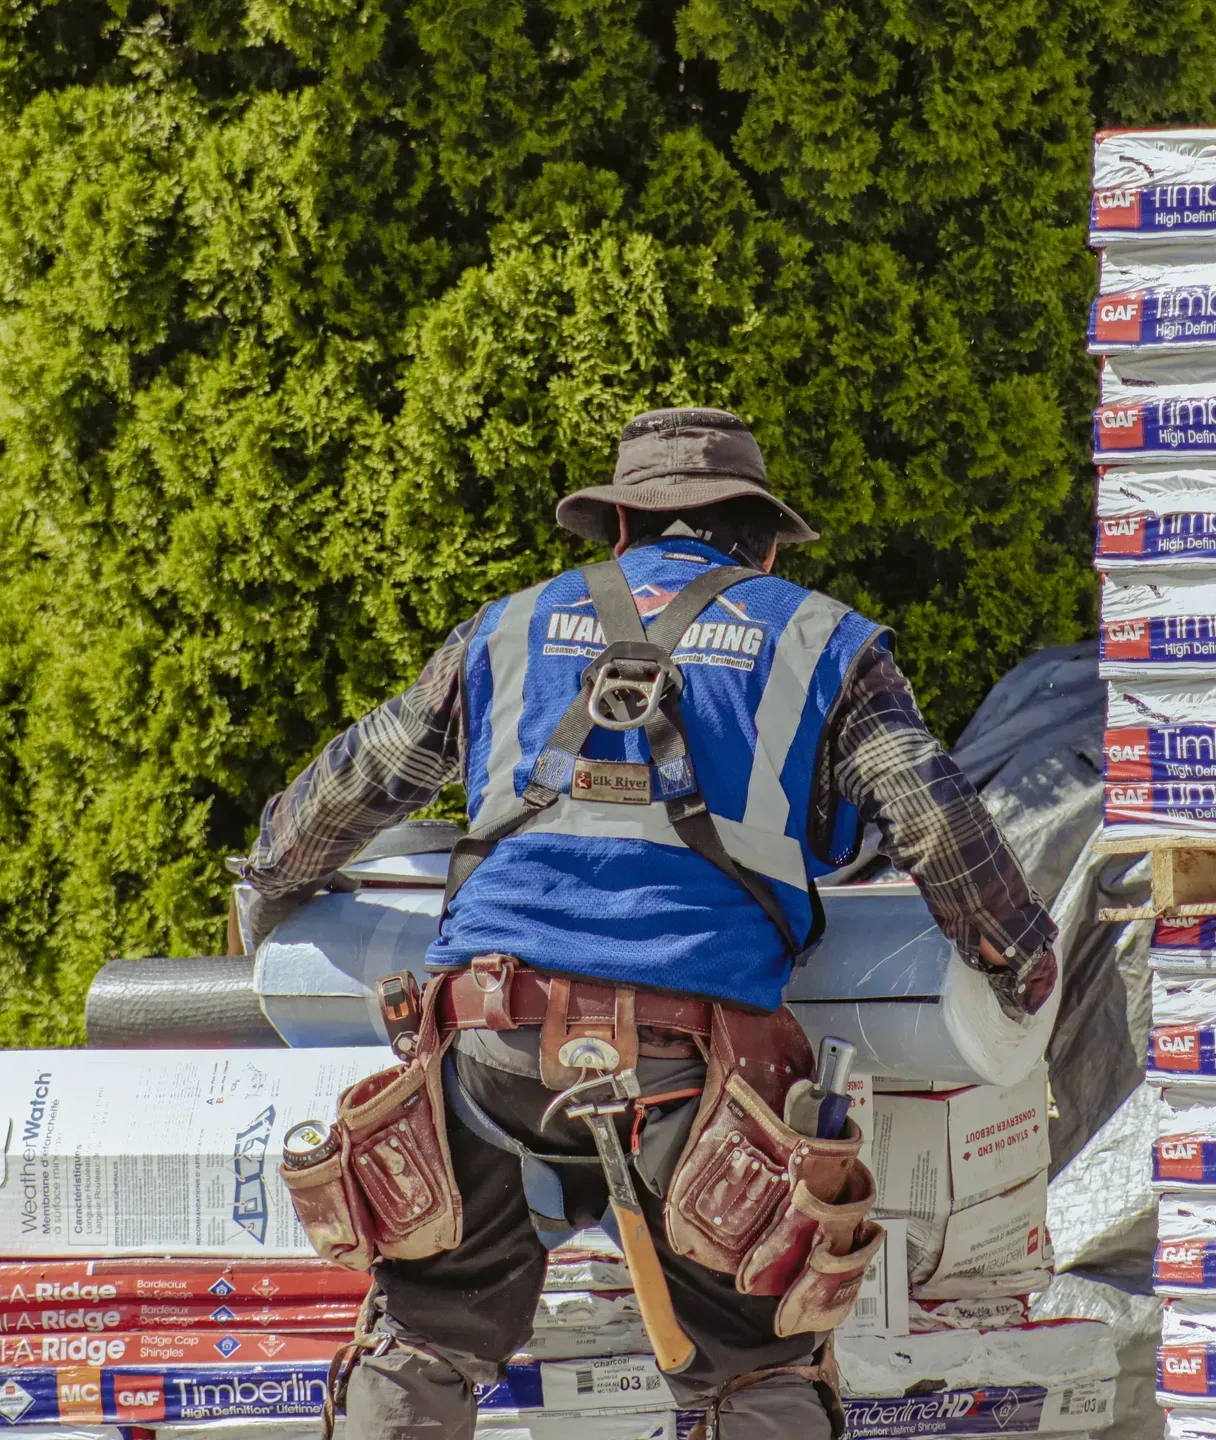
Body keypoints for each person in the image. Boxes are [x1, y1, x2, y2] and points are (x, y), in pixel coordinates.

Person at [237, 407, 1059, 1440]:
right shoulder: (819, 639)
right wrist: (1019, 959)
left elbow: (362, 777)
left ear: (620, 531)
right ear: (762, 539)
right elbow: (935, 822)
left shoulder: (507, 626)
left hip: (493, 1042)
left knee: (428, 1333)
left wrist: (270, 880)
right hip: (697, 1069)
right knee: (752, 1365)